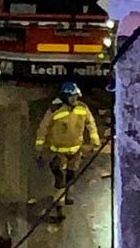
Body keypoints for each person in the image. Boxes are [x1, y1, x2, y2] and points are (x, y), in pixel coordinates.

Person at [35, 81, 100, 219]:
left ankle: (66, 195)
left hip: (76, 151)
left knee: (71, 175)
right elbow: (43, 128)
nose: (75, 100)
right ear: (65, 97)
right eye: (72, 97)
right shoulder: (54, 110)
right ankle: (59, 208)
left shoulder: (82, 108)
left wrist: (95, 142)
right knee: (60, 180)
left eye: (76, 97)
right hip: (58, 152)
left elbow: (91, 124)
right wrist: (39, 147)